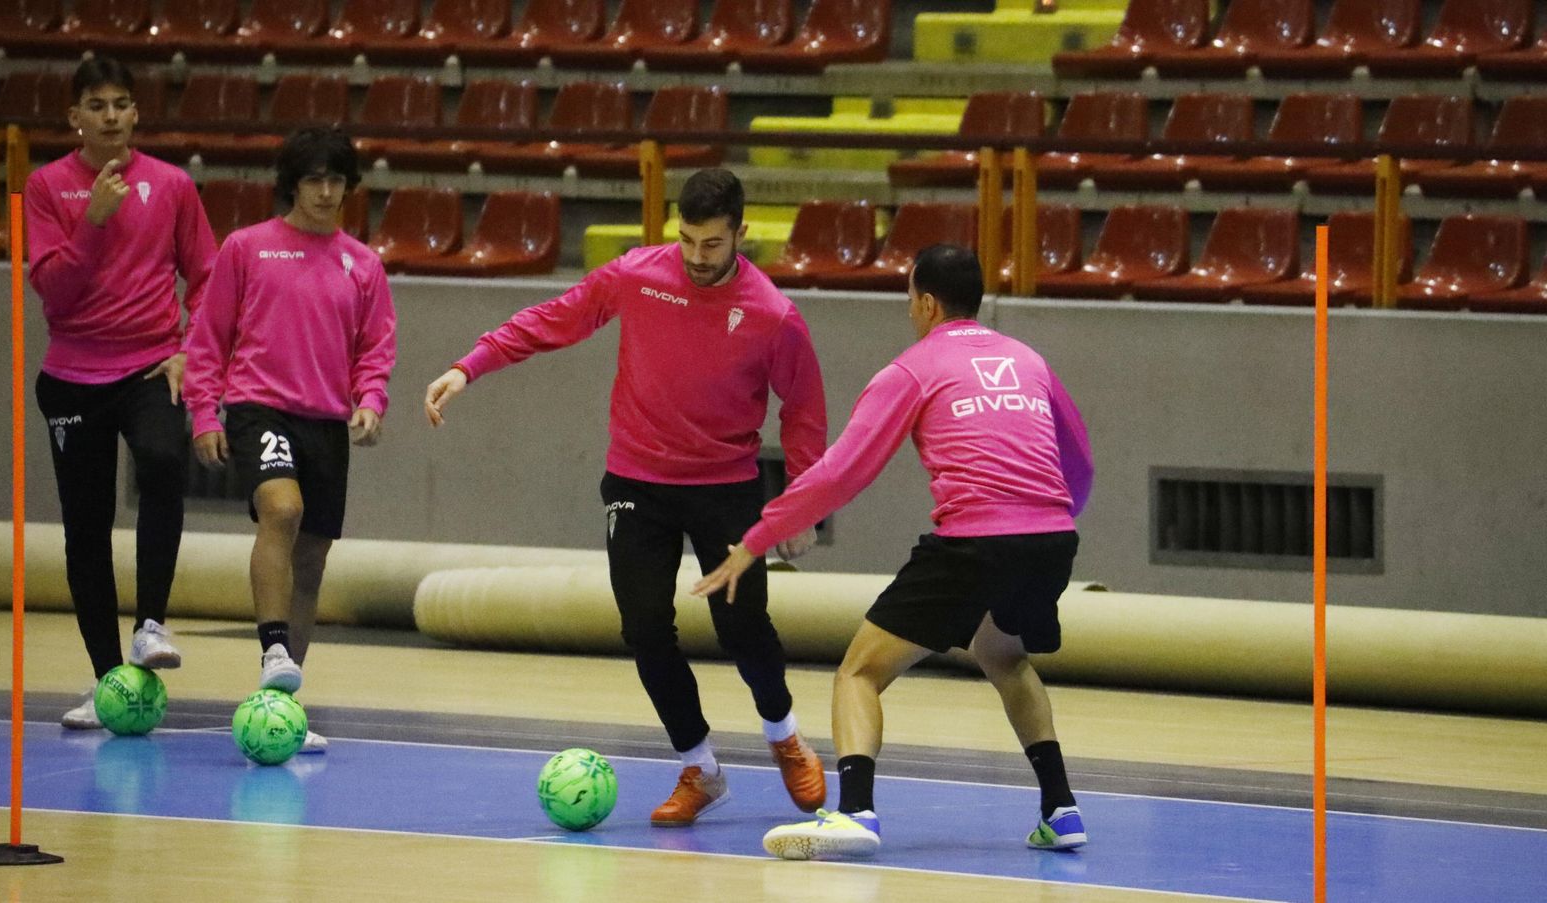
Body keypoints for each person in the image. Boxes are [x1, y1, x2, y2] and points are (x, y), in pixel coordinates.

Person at [424, 169, 830, 826]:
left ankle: (783, 734)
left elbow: (805, 410)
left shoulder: (773, 315)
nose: (698, 257)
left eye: (712, 244)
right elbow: (555, 319)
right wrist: (470, 364)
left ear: (740, 234)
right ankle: (701, 764)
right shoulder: (638, 275)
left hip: (726, 488)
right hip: (638, 481)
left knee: (742, 625)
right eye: (688, 240)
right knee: (644, 626)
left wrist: (802, 505)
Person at [695, 244, 1095, 859]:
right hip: (1052, 538)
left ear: (928, 302)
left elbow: (839, 475)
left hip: (973, 543)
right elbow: (1081, 460)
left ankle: (855, 813)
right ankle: (1061, 810)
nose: (909, 310)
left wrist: (757, 539)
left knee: (859, 672)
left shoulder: (913, 368)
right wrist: (1044, 525)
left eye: (909, 297)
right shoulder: (1028, 360)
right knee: (1003, 656)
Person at [184, 126, 397, 754]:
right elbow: (209, 336)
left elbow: (375, 347)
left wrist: (370, 402)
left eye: (337, 180)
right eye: (314, 180)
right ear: (292, 185)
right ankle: (272, 645)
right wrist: (204, 412)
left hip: (326, 422)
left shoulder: (364, 264)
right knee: (282, 508)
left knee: (312, 558)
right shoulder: (247, 249)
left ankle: (280, 707)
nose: (326, 192)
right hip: (259, 407)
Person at [25, 56, 218, 729]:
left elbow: (211, 278)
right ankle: (108, 679)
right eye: (96, 106)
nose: (110, 116)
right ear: (74, 117)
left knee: (165, 463)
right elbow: (52, 286)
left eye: (121, 104)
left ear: (136, 113)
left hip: (149, 368)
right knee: (86, 525)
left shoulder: (170, 186)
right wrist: (94, 223)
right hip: (74, 374)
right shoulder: (47, 187)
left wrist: (190, 350)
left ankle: (151, 624)